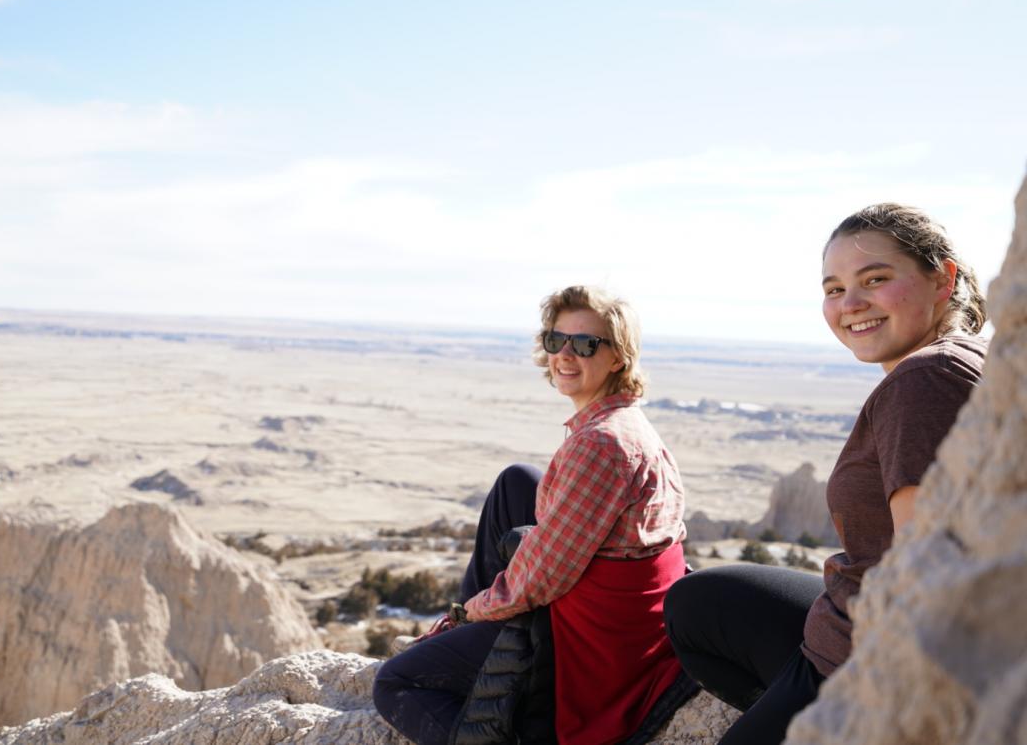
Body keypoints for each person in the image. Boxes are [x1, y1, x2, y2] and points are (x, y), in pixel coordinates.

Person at [663, 203, 988, 745]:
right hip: (850, 627)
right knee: (697, 603)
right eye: (833, 289)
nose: (850, 304)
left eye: (875, 279)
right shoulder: (973, 357)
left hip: (866, 669)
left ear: (942, 278)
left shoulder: (923, 380)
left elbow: (930, 576)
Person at [372, 285, 688, 745]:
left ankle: (476, 663)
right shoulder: (619, 422)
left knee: (396, 683)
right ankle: (473, 643)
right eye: (555, 340)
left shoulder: (601, 444)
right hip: (607, 602)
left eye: (584, 345)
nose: (565, 354)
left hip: (594, 641)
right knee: (516, 482)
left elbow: (539, 581)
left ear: (618, 358)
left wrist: (474, 610)